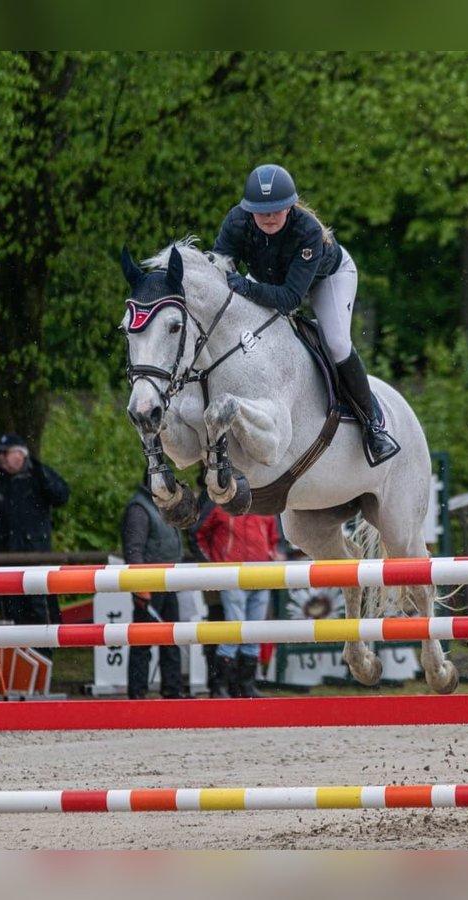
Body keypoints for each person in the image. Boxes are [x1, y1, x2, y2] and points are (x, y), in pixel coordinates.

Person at [213, 162, 400, 467]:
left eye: (277, 208)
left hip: (326, 278)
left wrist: (243, 287)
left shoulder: (307, 231)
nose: (270, 216)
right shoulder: (236, 222)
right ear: (248, 210)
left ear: (290, 207)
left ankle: (372, 426)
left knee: (337, 342)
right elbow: (219, 268)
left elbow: (289, 299)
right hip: (270, 279)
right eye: (261, 210)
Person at [189, 493, 281, 698]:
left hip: (262, 576)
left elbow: (274, 539)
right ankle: (221, 686)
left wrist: (271, 556)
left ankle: (244, 686)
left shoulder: (264, 504)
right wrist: (214, 566)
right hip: (232, 577)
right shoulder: (218, 504)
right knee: (234, 630)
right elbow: (197, 534)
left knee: (254, 633)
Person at [0, 433, 70, 626]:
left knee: (41, 609)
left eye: (6, 453)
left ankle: (45, 652)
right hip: (5, 557)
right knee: (12, 612)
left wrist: (40, 473)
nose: (1, 458)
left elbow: (61, 496)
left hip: (36, 557)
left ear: (20, 455)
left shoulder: (39, 474)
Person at [120, 474, 190, 700]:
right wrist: (141, 587)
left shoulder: (163, 506)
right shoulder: (139, 509)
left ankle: (173, 689)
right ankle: (138, 693)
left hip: (168, 581)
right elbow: (134, 551)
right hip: (149, 583)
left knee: (172, 639)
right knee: (143, 642)